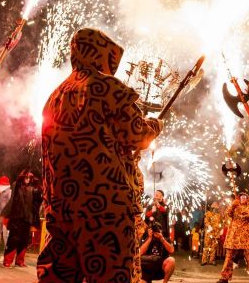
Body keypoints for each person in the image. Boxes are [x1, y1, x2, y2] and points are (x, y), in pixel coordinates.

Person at [36, 28, 163, 282]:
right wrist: (154, 126)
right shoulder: (106, 87)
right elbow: (136, 134)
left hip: (61, 206)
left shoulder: (55, 95)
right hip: (105, 207)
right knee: (109, 273)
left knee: (59, 275)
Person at [217, 192, 249, 283]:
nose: (243, 198)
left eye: (245, 197)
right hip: (234, 237)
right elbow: (227, 213)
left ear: (247, 199)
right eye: (241, 197)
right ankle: (224, 278)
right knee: (228, 258)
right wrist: (233, 205)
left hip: (246, 238)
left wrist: (241, 210)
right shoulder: (234, 208)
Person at [2, 170, 41, 268]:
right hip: (17, 217)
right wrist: (23, 174)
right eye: (26, 177)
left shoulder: (33, 189)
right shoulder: (17, 186)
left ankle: (20, 261)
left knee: (24, 240)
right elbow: (16, 184)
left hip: (27, 218)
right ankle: (7, 261)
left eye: (29, 178)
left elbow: (37, 201)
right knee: (13, 239)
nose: (27, 180)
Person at [202, 201, 222, 266]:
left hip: (216, 234)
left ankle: (212, 260)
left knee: (214, 247)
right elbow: (206, 221)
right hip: (209, 233)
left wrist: (221, 229)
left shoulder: (219, 215)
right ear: (212, 208)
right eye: (214, 208)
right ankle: (204, 260)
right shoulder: (208, 213)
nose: (215, 209)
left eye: (216, 208)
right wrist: (209, 226)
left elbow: (221, 223)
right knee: (207, 246)